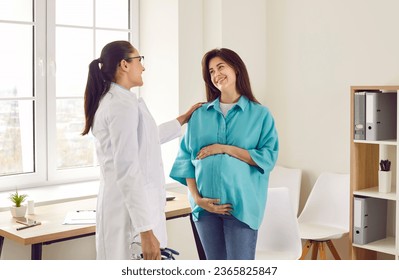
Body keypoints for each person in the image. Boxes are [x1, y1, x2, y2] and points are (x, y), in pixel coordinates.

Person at [82, 40, 202, 260]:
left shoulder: (121, 100)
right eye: (139, 60)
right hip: (128, 217)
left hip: (131, 210)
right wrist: (146, 231)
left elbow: (145, 139)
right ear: (124, 65)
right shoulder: (120, 105)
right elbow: (127, 168)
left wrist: (182, 119)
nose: (143, 67)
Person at [170, 48, 279, 260]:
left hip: (242, 208)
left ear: (236, 69)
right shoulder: (200, 114)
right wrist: (197, 199)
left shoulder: (260, 114)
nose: (216, 74)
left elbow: (268, 157)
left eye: (221, 67)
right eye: (211, 71)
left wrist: (224, 148)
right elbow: (186, 160)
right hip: (205, 210)